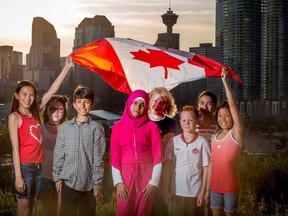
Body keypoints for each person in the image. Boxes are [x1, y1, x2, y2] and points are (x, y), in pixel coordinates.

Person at [8, 56, 73, 216]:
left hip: (38, 168)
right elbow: (15, 149)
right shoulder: (14, 117)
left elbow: (52, 91)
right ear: (17, 95)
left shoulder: (36, 112)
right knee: (23, 209)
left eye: (31, 95)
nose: (27, 98)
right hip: (24, 168)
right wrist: (18, 177)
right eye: (24, 94)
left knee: (32, 210)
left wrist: (66, 68)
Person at [53, 86, 106, 216]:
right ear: (74, 105)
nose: (82, 105)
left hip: (88, 185)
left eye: (86, 102)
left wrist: (97, 183)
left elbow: (98, 159)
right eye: (79, 102)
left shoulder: (96, 129)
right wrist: (57, 177)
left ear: (92, 105)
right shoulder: (65, 127)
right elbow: (59, 153)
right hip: (68, 182)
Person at [110, 89, 162, 216]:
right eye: (135, 103)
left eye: (142, 105)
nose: (138, 107)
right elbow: (115, 157)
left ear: (146, 108)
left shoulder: (152, 127)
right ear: (129, 104)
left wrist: (153, 182)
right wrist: (119, 182)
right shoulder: (118, 126)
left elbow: (158, 157)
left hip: (146, 176)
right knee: (124, 211)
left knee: (143, 212)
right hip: (125, 176)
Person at [206, 68, 244, 216]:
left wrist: (225, 82)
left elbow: (233, 104)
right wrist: (208, 189)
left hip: (230, 188)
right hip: (215, 187)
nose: (223, 119)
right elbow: (212, 164)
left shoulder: (236, 133)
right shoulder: (214, 138)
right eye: (220, 116)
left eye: (227, 116)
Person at [164, 105, 211, 216]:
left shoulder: (202, 142)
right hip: (176, 192)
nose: (187, 123)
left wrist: (203, 192)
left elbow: (207, 169)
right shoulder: (173, 141)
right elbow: (167, 168)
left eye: (190, 120)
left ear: (197, 121)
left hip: (195, 193)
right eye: (184, 120)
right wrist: (166, 189)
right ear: (180, 121)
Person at [148, 87, 177, 215]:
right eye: (154, 101)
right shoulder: (143, 120)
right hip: (146, 170)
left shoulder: (172, 123)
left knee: (162, 207)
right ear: (149, 101)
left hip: (166, 170)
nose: (157, 105)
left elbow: (173, 147)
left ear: (167, 105)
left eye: (161, 102)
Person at [40, 95, 68, 216]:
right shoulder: (40, 129)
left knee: (60, 211)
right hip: (45, 176)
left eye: (60, 109)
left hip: (63, 177)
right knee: (48, 212)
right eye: (52, 109)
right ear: (47, 110)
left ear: (64, 111)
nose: (56, 112)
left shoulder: (68, 129)